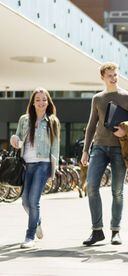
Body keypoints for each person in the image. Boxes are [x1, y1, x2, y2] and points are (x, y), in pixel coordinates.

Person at [81, 62, 128, 246]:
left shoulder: (127, 96)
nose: (113, 78)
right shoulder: (97, 99)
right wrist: (86, 150)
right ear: (102, 77)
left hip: (120, 149)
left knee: (117, 191)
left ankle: (115, 231)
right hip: (99, 147)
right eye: (110, 75)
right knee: (92, 187)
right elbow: (91, 125)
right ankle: (97, 231)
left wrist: (125, 130)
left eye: (115, 74)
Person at [10, 87, 60, 249]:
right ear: (32, 102)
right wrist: (14, 140)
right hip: (26, 164)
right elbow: (17, 137)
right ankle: (37, 222)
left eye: (44, 99)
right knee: (24, 201)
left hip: (43, 164)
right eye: (37, 99)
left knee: (33, 201)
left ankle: (29, 236)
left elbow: (56, 146)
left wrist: (53, 169)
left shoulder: (52, 121)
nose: (41, 102)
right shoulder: (24, 119)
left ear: (48, 102)